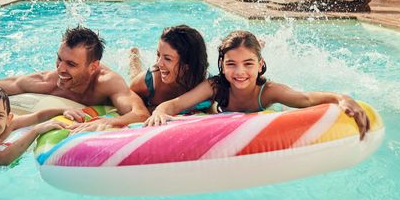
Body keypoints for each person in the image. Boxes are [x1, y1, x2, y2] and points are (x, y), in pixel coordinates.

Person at [144, 30, 370, 138]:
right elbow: (175, 103)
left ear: (260, 65)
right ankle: (135, 58)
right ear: (221, 65)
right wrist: (160, 112)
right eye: (231, 64)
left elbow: (306, 99)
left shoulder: (269, 92)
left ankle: (257, 46)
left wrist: (341, 98)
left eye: (248, 64)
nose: (240, 72)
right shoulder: (215, 85)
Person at [0, 26, 149, 135]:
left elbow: (140, 114)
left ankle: (133, 59)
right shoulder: (49, 81)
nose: (60, 69)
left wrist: (110, 122)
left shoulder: (107, 82)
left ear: (93, 67)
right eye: (59, 59)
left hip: (119, 87)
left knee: (135, 80)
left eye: (71, 64)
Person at [0, 85, 68, 165]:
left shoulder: (6, 127)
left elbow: (38, 116)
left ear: (8, 119)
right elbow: (0, 159)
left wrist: (64, 110)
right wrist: (35, 131)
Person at [128, 25, 211, 112]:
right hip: (147, 81)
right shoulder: (148, 83)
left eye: (167, 58)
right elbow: (128, 98)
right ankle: (134, 57)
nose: (159, 63)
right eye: (158, 55)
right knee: (135, 73)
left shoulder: (204, 82)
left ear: (188, 64)